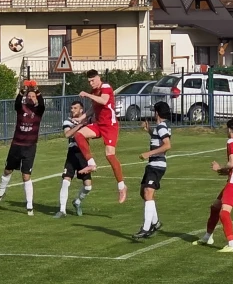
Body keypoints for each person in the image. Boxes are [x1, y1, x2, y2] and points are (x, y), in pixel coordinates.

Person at [194, 117, 233, 253]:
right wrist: (227, 173)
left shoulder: (231, 141)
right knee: (215, 207)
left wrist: (219, 169)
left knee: (224, 213)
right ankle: (208, 237)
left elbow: (232, 163)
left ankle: (232, 244)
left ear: (229, 129)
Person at [73, 70, 126, 203]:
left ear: (98, 78)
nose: (91, 84)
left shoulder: (106, 87)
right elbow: (93, 108)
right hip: (98, 124)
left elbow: (103, 101)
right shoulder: (94, 91)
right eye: (89, 82)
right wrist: (82, 118)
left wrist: (87, 95)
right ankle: (91, 163)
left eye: (92, 80)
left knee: (109, 155)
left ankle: (121, 186)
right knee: (79, 134)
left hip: (110, 126)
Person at [0, 83, 46, 216]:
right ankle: (1, 193)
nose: (31, 98)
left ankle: (29, 205)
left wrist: (37, 90)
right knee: (7, 170)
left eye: (33, 96)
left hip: (30, 147)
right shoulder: (21, 108)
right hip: (16, 145)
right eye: (29, 96)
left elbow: (42, 104)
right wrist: (22, 90)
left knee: (26, 176)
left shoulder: (38, 111)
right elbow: (16, 103)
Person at [133, 101, 172, 239]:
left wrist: (148, 154)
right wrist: (149, 130)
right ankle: (155, 222)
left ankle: (146, 227)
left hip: (157, 165)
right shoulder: (161, 127)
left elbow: (167, 145)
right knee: (143, 192)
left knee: (148, 192)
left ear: (157, 112)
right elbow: (159, 140)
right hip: (153, 165)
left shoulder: (162, 127)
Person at [56, 102, 94, 218]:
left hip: (83, 154)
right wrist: (79, 125)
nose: (72, 110)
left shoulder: (88, 121)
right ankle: (62, 210)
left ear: (82, 110)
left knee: (88, 186)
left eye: (75, 108)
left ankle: (77, 201)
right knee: (66, 180)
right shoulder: (68, 121)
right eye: (71, 108)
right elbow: (67, 134)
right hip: (72, 153)